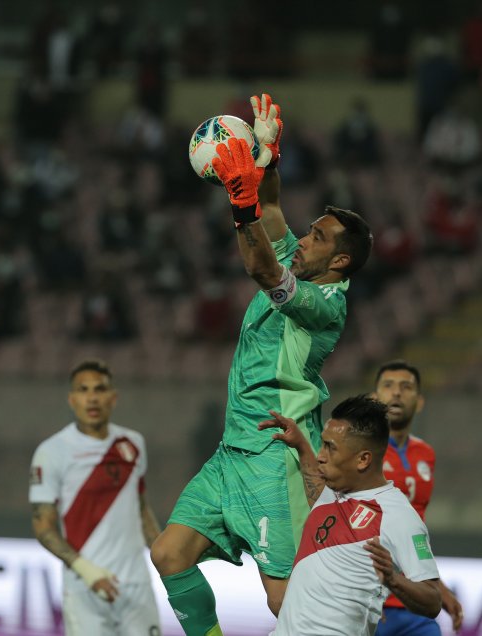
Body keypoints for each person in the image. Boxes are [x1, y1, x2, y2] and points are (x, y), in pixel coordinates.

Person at [150, 93, 374, 635]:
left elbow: (262, 267)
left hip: (275, 457)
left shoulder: (325, 305)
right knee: (169, 554)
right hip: (232, 451)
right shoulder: (300, 255)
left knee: (284, 603)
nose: (304, 238)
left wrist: (238, 197)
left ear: (339, 261)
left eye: (317, 236)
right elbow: (271, 212)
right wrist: (268, 155)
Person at [258, 396, 442, 636]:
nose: (321, 455)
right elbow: (313, 479)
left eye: (330, 447)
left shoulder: (396, 515)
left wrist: (394, 581)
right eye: (322, 445)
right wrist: (302, 445)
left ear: (363, 459)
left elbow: (433, 601)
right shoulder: (332, 491)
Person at [29, 359, 162, 636]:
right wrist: (88, 571)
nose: (92, 397)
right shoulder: (52, 451)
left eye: (100, 389)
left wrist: (164, 554)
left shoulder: (132, 443)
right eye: (83, 389)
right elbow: (43, 527)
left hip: (135, 584)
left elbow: (140, 508)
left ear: (113, 398)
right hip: (84, 586)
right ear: (71, 399)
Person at [373, 360, 464, 635]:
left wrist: (438, 586)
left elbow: (415, 533)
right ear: (374, 399)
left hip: (413, 600)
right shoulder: (360, 453)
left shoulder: (426, 454)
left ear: (420, 401)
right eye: (388, 386)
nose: (397, 393)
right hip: (371, 599)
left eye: (406, 387)